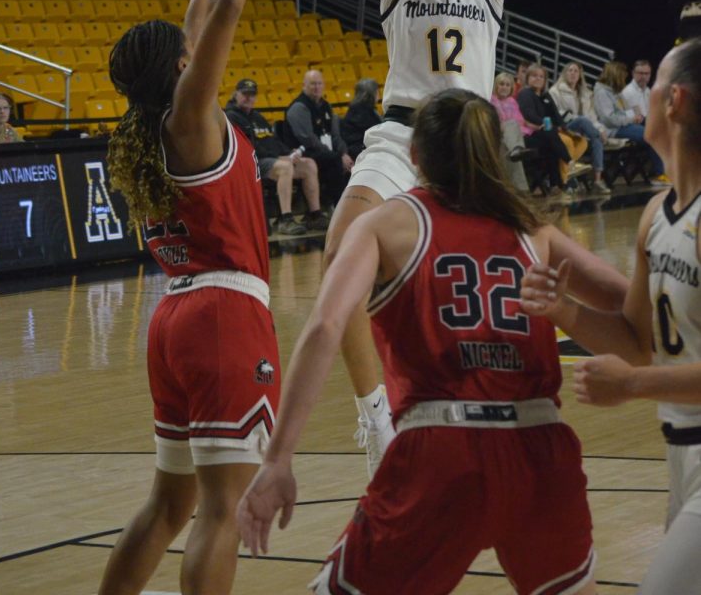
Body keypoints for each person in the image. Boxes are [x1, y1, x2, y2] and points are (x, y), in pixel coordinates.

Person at [237, 88, 630, 595]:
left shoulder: (386, 224)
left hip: (442, 451)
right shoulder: (536, 232)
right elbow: (637, 311)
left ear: (415, 155)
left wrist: (277, 461)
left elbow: (325, 327)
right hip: (540, 449)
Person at [97, 0, 280, 595]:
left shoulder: (155, 127)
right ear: (179, 66)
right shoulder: (192, 119)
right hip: (222, 319)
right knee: (220, 509)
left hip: (172, 318)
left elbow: (200, 15)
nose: (192, 38)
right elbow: (228, 6)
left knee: (168, 504)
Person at [334, 0, 512, 474]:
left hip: (465, 143)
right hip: (399, 131)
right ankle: (374, 416)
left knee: (464, 295)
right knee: (342, 253)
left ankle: (472, 412)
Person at [520, 39, 701, 595]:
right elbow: (637, 340)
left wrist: (634, 386)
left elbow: (637, 369)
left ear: (674, 101)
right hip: (681, 449)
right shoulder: (657, 214)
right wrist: (564, 310)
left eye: (652, 91)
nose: (641, 100)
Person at [224, 77, 328, 235]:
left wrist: (289, 153)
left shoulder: (257, 117)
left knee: (309, 164)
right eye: (244, 94)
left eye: (251, 95)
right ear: (235, 94)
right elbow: (248, 148)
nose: (248, 98)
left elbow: (273, 140)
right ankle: (286, 220)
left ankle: (314, 215)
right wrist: (281, 158)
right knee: (285, 167)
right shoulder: (231, 117)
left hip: (270, 159)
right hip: (250, 163)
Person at [517, 62, 589, 203]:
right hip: (530, 134)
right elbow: (529, 115)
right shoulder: (525, 94)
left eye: (541, 76)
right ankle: (570, 164)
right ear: (528, 78)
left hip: (547, 135)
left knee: (556, 148)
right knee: (550, 134)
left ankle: (556, 187)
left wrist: (563, 127)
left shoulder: (545, 95)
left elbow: (556, 115)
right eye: (534, 76)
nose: (538, 79)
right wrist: (550, 125)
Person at [282, 69, 353, 207]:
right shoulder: (299, 107)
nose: (317, 87)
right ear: (304, 86)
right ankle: (338, 206)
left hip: (324, 150)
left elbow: (335, 135)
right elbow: (309, 140)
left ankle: (347, 204)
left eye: (319, 84)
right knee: (334, 160)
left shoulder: (326, 106)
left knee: (350, 159)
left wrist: (344, 153)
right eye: (313, 84)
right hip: (303, 151)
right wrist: (337, 155)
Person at [593, 60, 665, 180]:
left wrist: (635, 117)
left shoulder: (615, 91)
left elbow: (628, 109)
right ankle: (659, 173)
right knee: (651, 135)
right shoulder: (602, 93)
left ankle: (666, 169)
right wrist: (631, 118)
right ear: (615, 75)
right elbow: (609, 120)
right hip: (613, 129)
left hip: (624, 124)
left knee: (660, 128)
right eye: (622, 76)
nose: (624, 78)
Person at [549, 62, 612, 197]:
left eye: (576, 71)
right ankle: (597, 136)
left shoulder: (586, 94)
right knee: (583, 121)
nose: (573, 73)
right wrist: (578, 119)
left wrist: (600, 129)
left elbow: (592, 117)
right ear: (565, 73)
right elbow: (556, 113)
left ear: (580, 75)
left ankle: (597, 180)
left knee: (596, 140)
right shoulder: (555, 91)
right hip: (565, 126)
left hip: (584, 130)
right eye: (570, 70)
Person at [490, 71, 531, 193]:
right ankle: (517, 149)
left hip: (508, 138)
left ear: (511, 88)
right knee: (511, 125)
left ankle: (521, 190)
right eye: (501, 84)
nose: (504, 87)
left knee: (510, 153)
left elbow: (521, 122)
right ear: (496, 86)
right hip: (495, 133)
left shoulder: (512, 102)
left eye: (508, 85)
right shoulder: (490, 99)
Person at [340, 77, 382, 161]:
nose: (379, 93)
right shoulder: (361, 112)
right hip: (362, 153)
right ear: (371, 93)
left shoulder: (361, 109)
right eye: (377, 91)